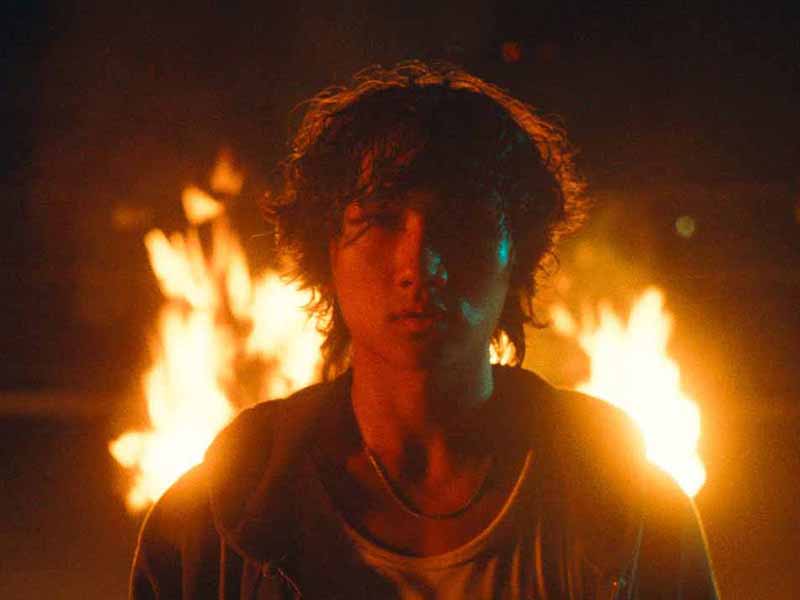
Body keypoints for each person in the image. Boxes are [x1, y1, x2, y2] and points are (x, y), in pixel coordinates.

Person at [130, 61, 719, 599]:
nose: (420, 264)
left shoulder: (630, 511)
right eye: (381, 221)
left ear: (515, 254)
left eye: (458, 224)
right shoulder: (213, 525)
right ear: (327, 251)